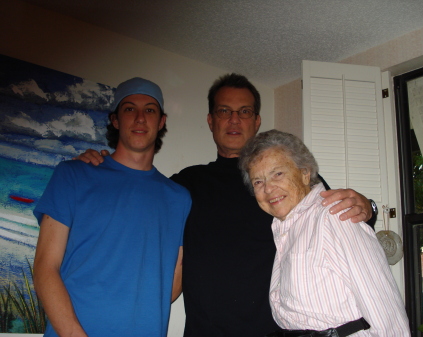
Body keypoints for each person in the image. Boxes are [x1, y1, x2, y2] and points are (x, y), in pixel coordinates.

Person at [76, 73, 376, 337]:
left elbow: (339, 219)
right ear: (211, 121)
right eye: (224, 111)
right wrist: (101, 165)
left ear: (256, 122)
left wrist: (369, 208)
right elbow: (131, 207)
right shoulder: (182, 185)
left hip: (279, 331)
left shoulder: (289, 178)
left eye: (244, 112)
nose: (234, 119)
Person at [33, 77, 192, 337]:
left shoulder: (179, 197)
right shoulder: (72, 175)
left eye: (150, 110)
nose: (140, 118)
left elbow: (174, 279)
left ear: (161, 121)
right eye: (129, 108)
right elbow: (44, 268)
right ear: (115, 120)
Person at [239, 129, 410, 337]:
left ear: (304, 173)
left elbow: (387, 315)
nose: (268, 188)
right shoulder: (286, 228)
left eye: (278, 174)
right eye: (258, 181)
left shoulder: (334, 217)